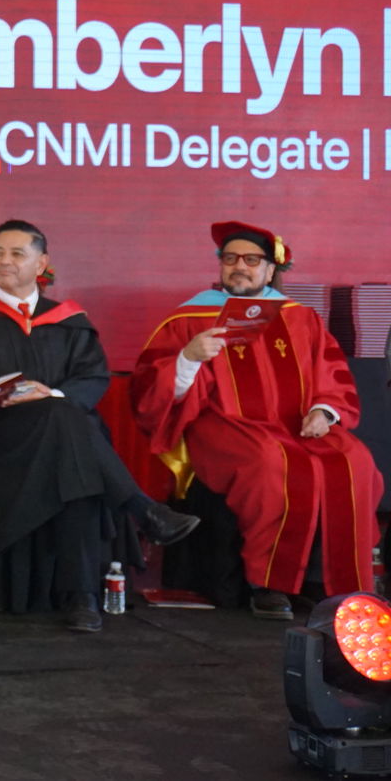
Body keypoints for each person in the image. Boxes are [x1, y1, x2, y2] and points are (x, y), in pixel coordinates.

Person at [0, 220, 198, 632]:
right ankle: (134, 522)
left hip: (62, 437)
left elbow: (93, 377)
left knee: (72, 454)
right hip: (2, 437)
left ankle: (83, 596)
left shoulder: (68, 320)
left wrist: (51, 394)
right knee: (73, 436)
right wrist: (10, 393)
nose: (4, 261)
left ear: (41, 264)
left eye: (17, 253)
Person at [131, 221, 381, 620]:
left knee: (355, 460)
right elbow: (151, 392)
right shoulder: (190, 319)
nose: (239, 267)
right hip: (224, 423)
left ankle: (331, 585)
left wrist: (324, 410)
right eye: (230, 258)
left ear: (270, 269)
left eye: (251, 260)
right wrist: (188, 358)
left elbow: (332, 374)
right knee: (269, 462)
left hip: (298, 425)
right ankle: (269, 585)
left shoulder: (301, 318)